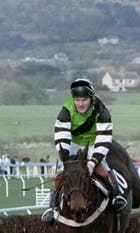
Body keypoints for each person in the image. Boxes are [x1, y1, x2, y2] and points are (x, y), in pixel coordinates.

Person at [42, 78, 127, 223]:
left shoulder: (102, 112)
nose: (80, 104)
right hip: (73, 143)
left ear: (91, 98)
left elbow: (104, 139)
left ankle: (116, 196)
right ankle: (53, 206)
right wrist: (67, 160)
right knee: (62, 173)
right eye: (77, 100)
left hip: (95, 142)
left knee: (103, 169)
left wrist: (93, 162)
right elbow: (62, 139)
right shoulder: (65, 111)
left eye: (84, 100)